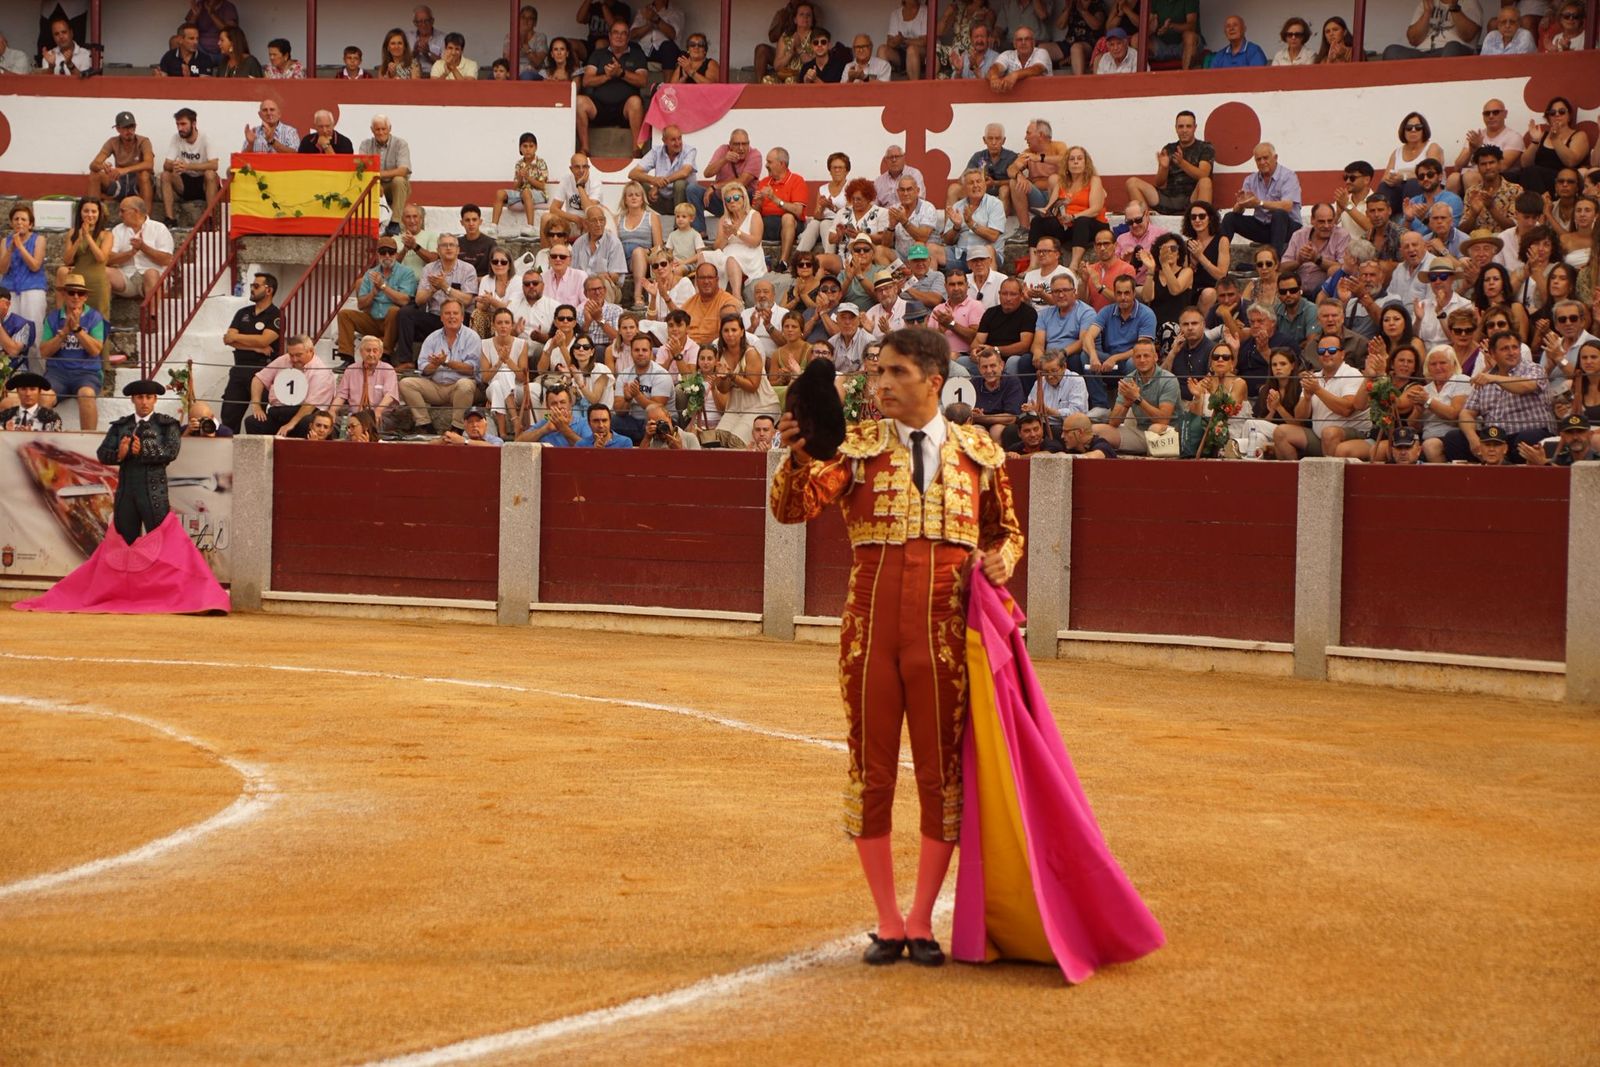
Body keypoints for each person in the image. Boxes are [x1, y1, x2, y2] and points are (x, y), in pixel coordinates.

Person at [772, 324, 1021, 968]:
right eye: (877, 373)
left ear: (933, 380)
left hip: (945, 630)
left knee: (942, 774)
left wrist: (1000, 560)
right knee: (871, 768)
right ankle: (888, 918)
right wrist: (797, 456)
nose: (880, 384)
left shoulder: (979, 452)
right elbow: (792, 509)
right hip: (871, 628)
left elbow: (1006, 534)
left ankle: (922, 918)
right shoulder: (853, 449)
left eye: (896, 373)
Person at [1271, 333, 1370, 460]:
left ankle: (1329, 479)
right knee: (1280, 432)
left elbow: (1347, 409)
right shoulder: (1315, 377)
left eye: (1332, 350)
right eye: (1322, 351)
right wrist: (1306, 398)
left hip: (1352, 434)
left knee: (1329, 433)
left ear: (1342, 354)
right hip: (1320, 436)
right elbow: (1300, 418)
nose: (1327, 354)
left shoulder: (1351, 374)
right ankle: (1293, 477)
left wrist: (1317, 390)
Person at [394, 233, 479, 370]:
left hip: (460, 319)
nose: (448, 248)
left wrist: (445, 287)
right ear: (438, 250)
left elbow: (468, 300)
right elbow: (419, 300)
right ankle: (406, 361)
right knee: (406, 313)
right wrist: (433, 290)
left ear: (458, 250)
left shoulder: (468, 269)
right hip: (436, 317)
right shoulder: (429, 269)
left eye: (452, 245)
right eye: (444, 245)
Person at [400, 299, 484, 433]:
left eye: (455, 313)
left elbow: (471, 370)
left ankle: (457, 427)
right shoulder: (432, 338)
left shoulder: (472, 337)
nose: (451, 316)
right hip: (436, 387)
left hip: (460, 388)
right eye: (447, 313)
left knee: (465, 384)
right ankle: (424, 425)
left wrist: (446, 362)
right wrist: (434, 365)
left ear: (462, 317)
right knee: (406, 383)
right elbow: (424, 370)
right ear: (441, 317)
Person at [38, 273, 105, 431]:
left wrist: (77, 330)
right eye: (71, 292)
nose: (76, 296)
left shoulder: (95, 317)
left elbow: (95, 350)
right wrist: (64, 333)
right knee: (43, 398)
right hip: (57, 373)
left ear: (85, 297)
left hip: (87, 373)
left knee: (87, 395)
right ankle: (43, 443)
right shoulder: (53, 318)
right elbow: (44, 352)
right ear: (64, 294)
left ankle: (86, 443)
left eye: (80, 293)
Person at [1126, 111, 1214, 221]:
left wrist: (1182, 163)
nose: (1184, 130)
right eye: (1181, 126)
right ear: (1176, 128)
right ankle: (1145, 225)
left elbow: (1204, 175)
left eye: (1188, 126)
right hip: (1168, 199)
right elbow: (1159, 183)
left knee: (1205, 182)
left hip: (1192, 200)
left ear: (1195, 128)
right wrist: (1164, 168)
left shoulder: (1205, 147)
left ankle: (1203, 227)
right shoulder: (1169, 148)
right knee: (1132, 182)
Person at [576, 20, 648, 156]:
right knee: (579, 101)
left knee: (636, 102)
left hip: (625, 110)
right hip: (599, 108)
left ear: (628, 37)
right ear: (609, 36)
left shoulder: (637, 55)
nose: (619, 36)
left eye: (623, 33)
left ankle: (636, 149)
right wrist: (607, 76)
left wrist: (621, 73)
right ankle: (584, 149)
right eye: (615, 32)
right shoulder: (598, 54)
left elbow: (642, 81)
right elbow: (586, 81)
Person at [244, 334, 336, 437]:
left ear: (310, 351)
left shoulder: (320, 371)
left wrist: (290, 424)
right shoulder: (284, 359)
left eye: (298, 355)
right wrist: (256, 405)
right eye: (291, 355)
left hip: (302, 413)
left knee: (307, 423)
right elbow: (258, 379)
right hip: (277, 411)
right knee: (252, 422)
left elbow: (310, 405)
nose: (294, 359)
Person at [1221, 143, 1302, 257]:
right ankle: (1219, 260)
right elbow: (1237, 212)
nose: (1262, 162)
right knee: (1230, 217)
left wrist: (1259, 203)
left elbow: (1287, 206)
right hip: (1263, 226)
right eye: (1258, 159)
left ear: (1275, 158)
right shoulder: (1250, 180)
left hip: (1288, 227)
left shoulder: (1288, 176)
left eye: (1265, 158)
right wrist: (1241, 204)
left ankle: (1274, 263)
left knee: (1279, 214)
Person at [158, 108, 218, 224]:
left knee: (210, 174)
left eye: (183, 124)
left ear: (194, 123)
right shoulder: (176, 138)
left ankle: (210, 218)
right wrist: (175, 165)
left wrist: (188, 166)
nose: (180, 128)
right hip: (185, 183)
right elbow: (166, 165)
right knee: (165, 175)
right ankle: (170, 218)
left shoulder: (205, 138)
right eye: (178, 124)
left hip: (204, 183)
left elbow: (214, 164)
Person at [107, 196, 174, 301]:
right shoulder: (118, 230)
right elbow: (109, 259)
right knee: (103, 272)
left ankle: (152, 316)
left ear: (136, 212)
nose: (119, 215)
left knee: (151, 273)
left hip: (153, 278)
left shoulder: (159, 228)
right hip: (127, 277)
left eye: (123, 211)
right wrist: (130, 253)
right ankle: (100, 315)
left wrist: (143, 247)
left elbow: (166, 260)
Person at [331, 334, 401, 430]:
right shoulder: (351, 369)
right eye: (368, 350)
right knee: (331, 423)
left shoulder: (388, 370)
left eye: (375, 351)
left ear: (380, 353)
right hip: (355, 416)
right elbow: (341, 395)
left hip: (380, 416)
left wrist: (378, 411)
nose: (371, 354)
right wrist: (332, 410)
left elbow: (389, 395)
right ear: (361, 352)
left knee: (369, 425)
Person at [89, 111, 156, 207]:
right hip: (120, 183)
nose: (129, 130)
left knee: (144, 174)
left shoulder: (143, 141)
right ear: (118, 129)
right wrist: (102, 166)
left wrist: (125, 170)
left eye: (131, 127)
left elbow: (149, 164)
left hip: (138, 184)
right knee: (95, 174)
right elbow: (93, 165)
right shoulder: (112, 142)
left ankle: (146, 219)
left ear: (135, 127)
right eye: (125, 127)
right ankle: (94, 214)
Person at [360, 115, 413, 233]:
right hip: (374, 186)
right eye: (377, 129)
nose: (381, 132)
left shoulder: (400, 144)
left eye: (383, 129)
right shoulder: (365, 145)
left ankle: (394, 223)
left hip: (394, 187)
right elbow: (362, 169)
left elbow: (403, 170)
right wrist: (377, 183)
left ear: (389, 129)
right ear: (372, 130)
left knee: (398, 180)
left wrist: (378, 175)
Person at [1383, 0, 1484, 60]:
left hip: (1452, 53)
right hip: (1424, 54)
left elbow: (1468, 35)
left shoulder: (1469, 2)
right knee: (1392, 51)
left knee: (1452, 47)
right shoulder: (1427, 3)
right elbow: (1413, 39)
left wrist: (1453, 6)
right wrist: (1427, 12)